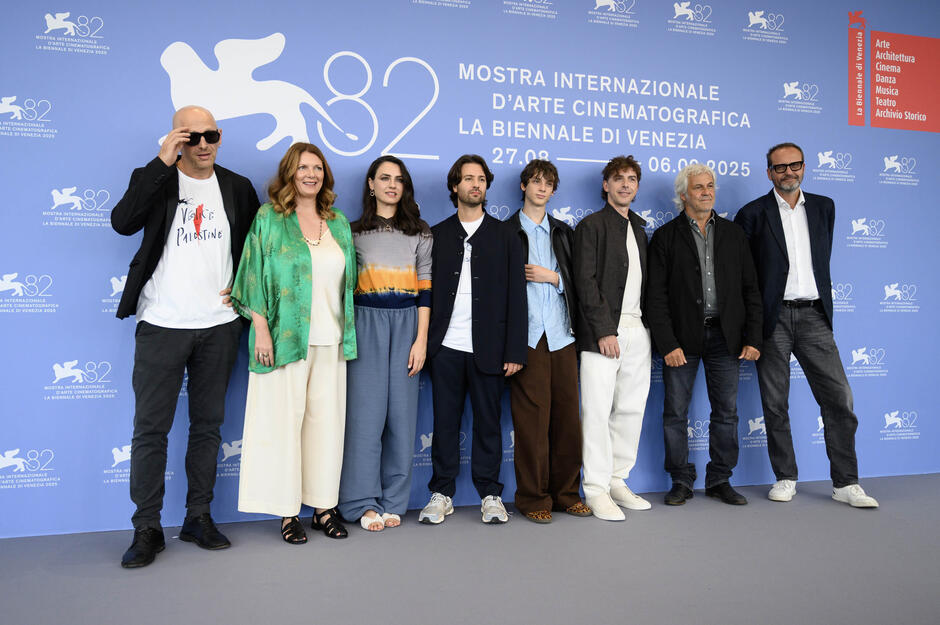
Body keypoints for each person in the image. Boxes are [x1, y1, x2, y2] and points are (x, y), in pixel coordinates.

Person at [111, 105, 260, 568]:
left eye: (209, 135)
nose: (202, 145)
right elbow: (123, 221)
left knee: (208, 427)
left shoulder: (236, 186)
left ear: (219, 137)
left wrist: (244, 290)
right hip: (161, 324)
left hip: (219, 325)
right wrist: (161, 162)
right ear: (176, 138)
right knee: (150, 429)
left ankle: (199, 516)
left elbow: (257, 249)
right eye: (190, 136)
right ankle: (147, 527)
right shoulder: (154, 177)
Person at [735, 142, 878, 508]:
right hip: (773, 318)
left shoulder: (824, 207)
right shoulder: (752, 214)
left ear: (804, 167)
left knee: (839, 399)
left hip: (815, 315)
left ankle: (846, 483)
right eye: (779, 168)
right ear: (768, 172)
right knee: (775, 402)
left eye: (794, 165)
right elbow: (745, 277)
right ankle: (785, 476)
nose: (788, 172)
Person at [231, 142, 358, 544]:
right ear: (289, 173)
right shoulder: (270, 218)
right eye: (303, 167)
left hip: (331, 341)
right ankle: (288, 513)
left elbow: (346, 284)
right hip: (284, 341)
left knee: (326, 428)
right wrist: (261, 330)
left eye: (318, 168)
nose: (311, 175)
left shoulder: (337, 222)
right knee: (283, 426)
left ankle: (323, 507)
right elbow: (251, 275)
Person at [419, 154, 527, 525]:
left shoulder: (506, 235)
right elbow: (427, 294)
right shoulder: (436, 234)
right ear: (455, 186)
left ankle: (491, 494)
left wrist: (515, 350)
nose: (475, 184)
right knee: (445, 422)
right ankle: (441, 493)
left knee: (488, 424)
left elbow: (517, 296)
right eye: (468, 178)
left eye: (481, 178)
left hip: (491, 350)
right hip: (445, 348)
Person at [646, 163, 762, 506]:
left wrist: (753, 338)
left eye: (710, 185)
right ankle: (680, 480)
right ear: (684, 195)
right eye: (699, 187)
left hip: (727, 339)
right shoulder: (666, 237)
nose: (707, 192)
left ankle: (720, 479)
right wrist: (668, 343)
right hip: (681, 341)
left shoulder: (734, 234)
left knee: (726, 412)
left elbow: (751, 290)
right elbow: (655, 297)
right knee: (675, 414)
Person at [338, 156, 432, 532]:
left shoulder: (421, 232)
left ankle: (395, 501)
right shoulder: (351, 230)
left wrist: (421, 340)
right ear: (371, 184)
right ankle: (362, 502)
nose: (392, 185)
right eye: (385, 178)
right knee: (364, 418)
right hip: (365, 321)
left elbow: (426, 289)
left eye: (399, 179)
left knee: (403, 419)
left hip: (408, 322)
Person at [506, 159, 591, 523]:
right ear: (524, 186)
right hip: (526, 337)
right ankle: (533, 498)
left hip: (562, 334)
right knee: (531, 423)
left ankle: (567, 494)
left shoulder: (564, 233)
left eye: (548, 183)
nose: (542, 188)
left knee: (568, 420)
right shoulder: (506, 232)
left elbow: (578, 285)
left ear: (554, 191)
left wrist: (551, 276)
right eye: (536, 181)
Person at [573, 155, 652, 521]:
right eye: (618, 178)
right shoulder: (591, 226)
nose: (625, 184)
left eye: (631, 179)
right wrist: (604, 330)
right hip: (604, 333)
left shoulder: (640, 228)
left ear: (637, 186)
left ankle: (618, 480)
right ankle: (596, 489)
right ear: (606, 185)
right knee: (597, 412)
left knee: (631, 410)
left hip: (639, 330)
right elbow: (584, 282)